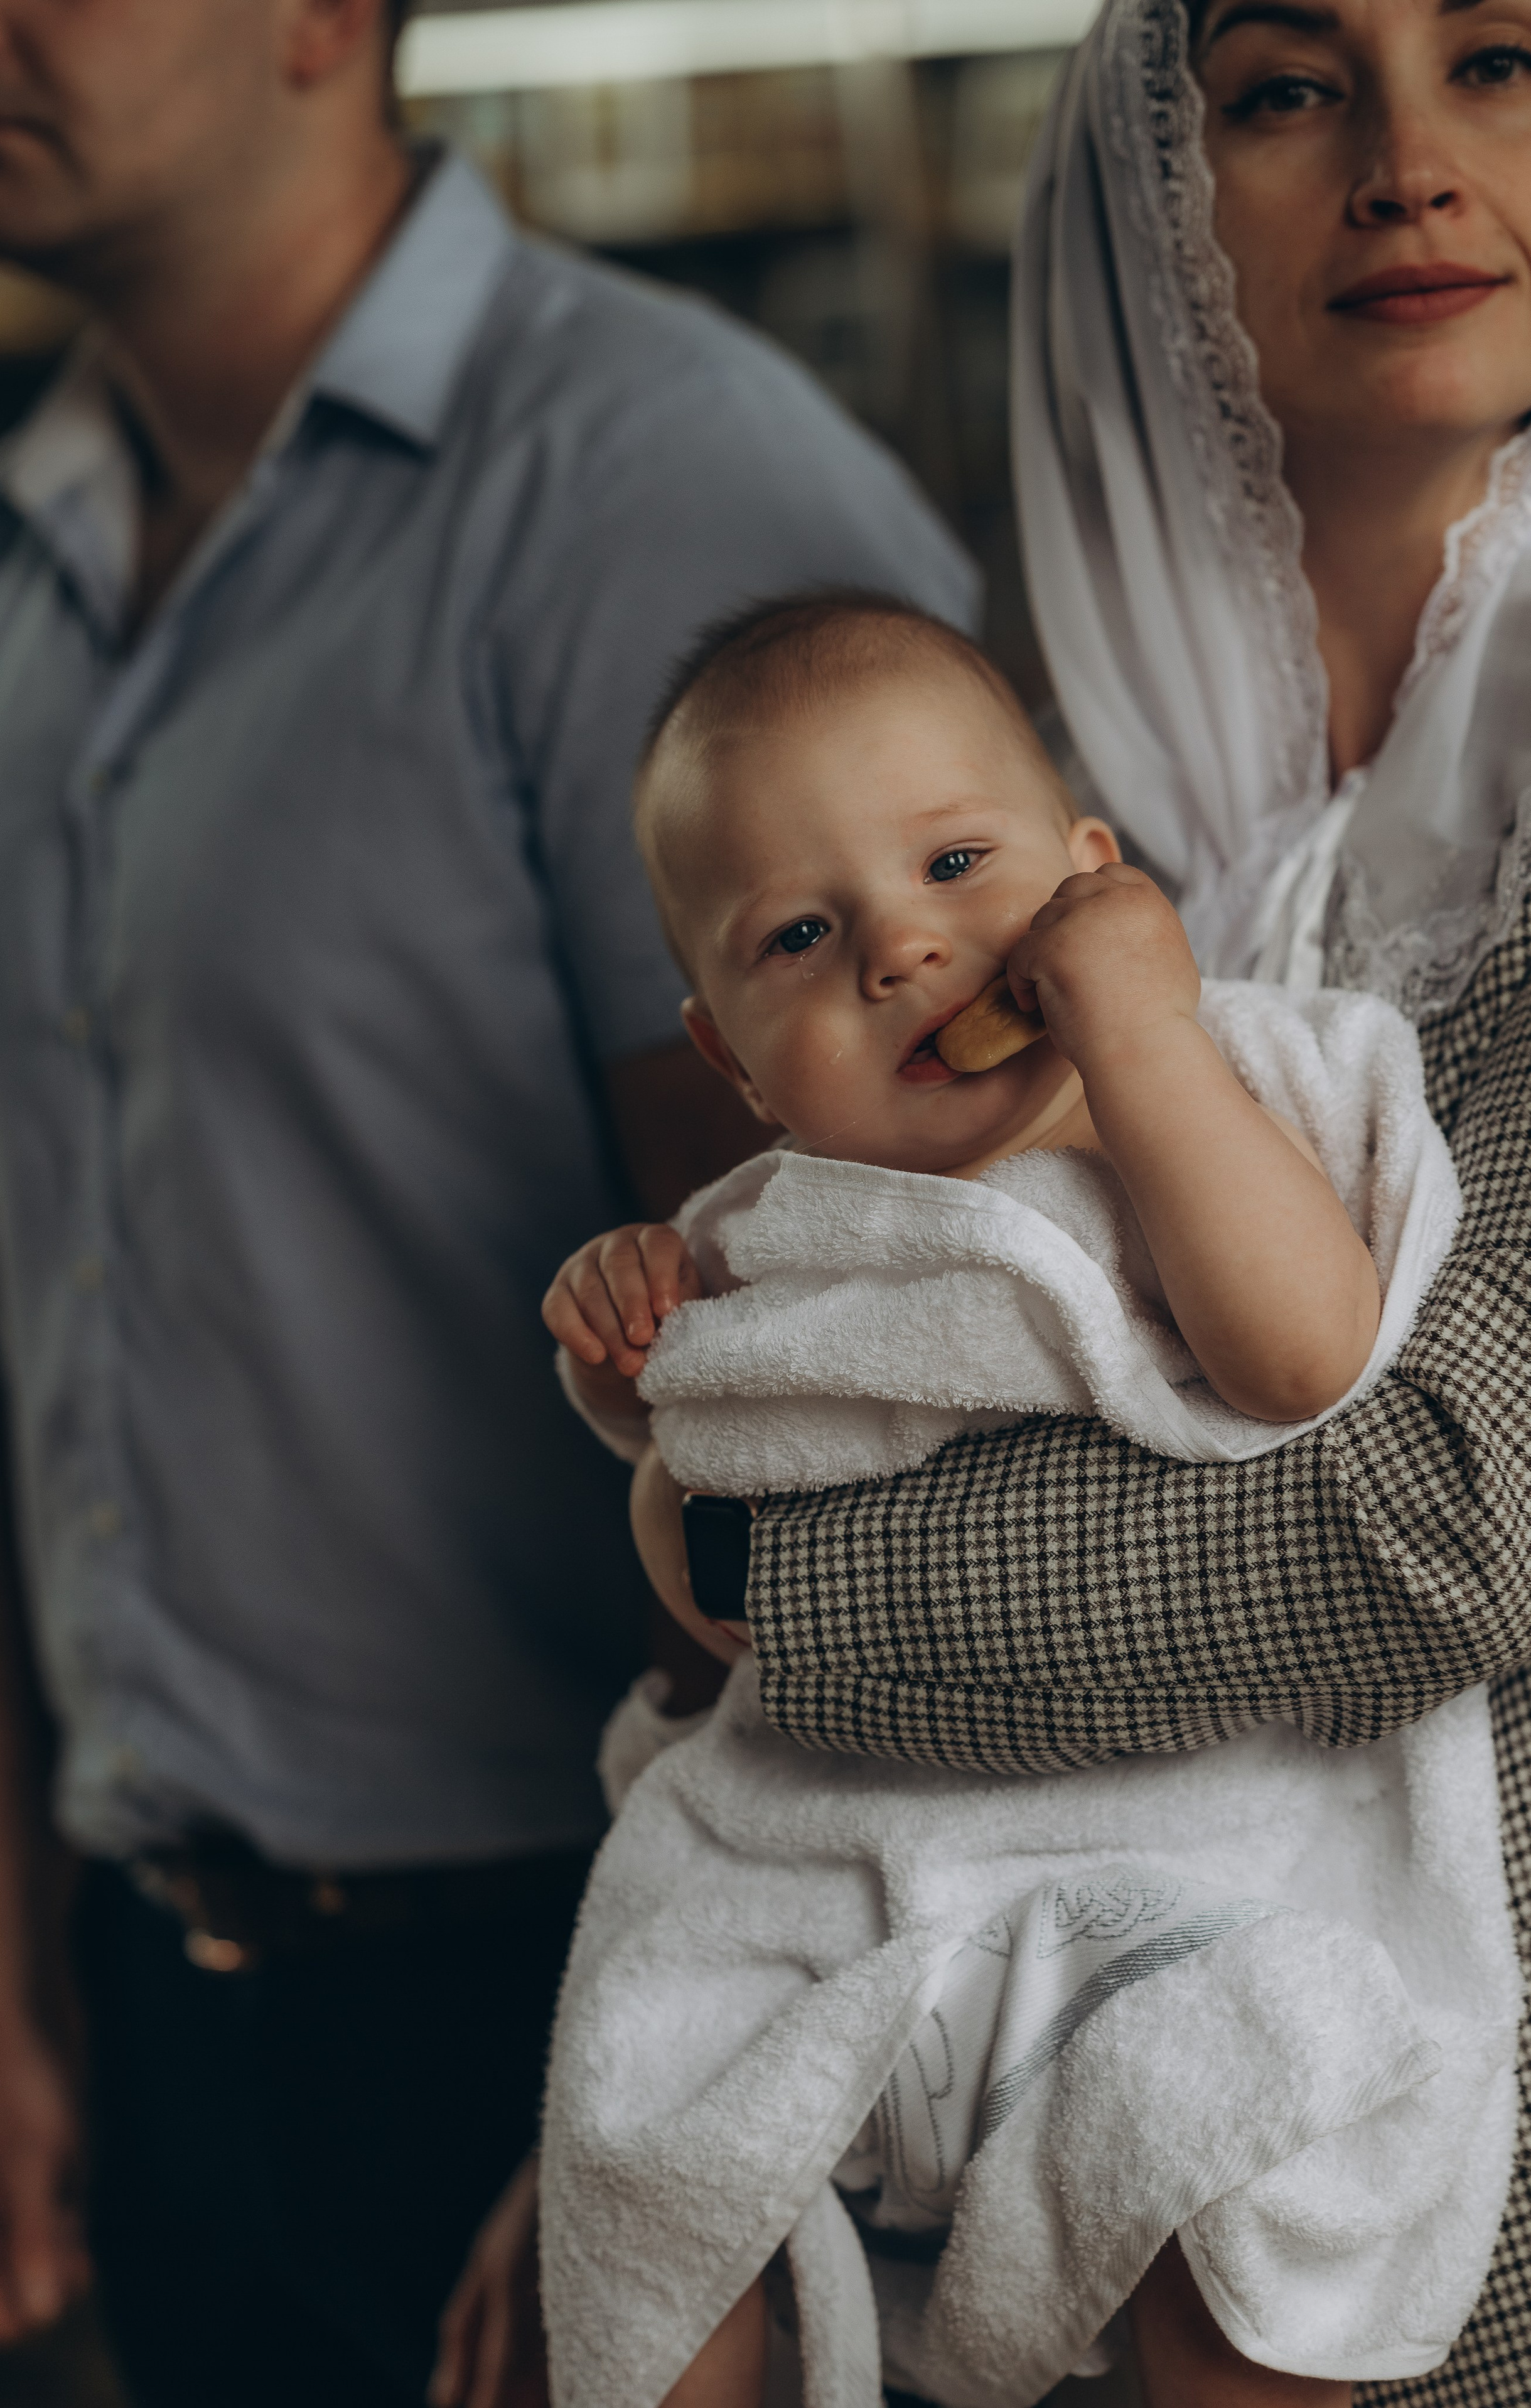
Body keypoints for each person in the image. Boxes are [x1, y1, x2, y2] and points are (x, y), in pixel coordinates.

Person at [0, 3, 977, 2403]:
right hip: (150, 2013)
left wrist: (665, 2065)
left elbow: (886, 1356)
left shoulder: (651, 491)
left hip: (583, 1987)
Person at [596, 4, 1531, 2404]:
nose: (1413, 167)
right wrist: (646, 2112)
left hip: (1406, 2119)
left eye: (1508, 60)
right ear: (1150, 196)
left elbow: (1431, 1517)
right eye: (1290, 87)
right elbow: (810, 1366)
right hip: (981, 2046)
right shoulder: (960, 810)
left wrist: (780, 1582)